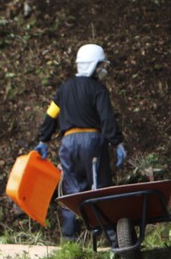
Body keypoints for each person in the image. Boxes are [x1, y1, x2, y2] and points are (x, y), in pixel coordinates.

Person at [35, 44, 127, 242]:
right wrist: (117, 142)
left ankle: (70, 240)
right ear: (94, 66)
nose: (104, 70)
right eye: (102, 66)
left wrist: (44, 139)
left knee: (72, 190)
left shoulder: (64, 89)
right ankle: (114, 240)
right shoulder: (98, 90)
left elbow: (51, 114)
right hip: (92, 142)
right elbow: (107, 119)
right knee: (99, 188)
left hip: (68, 144)